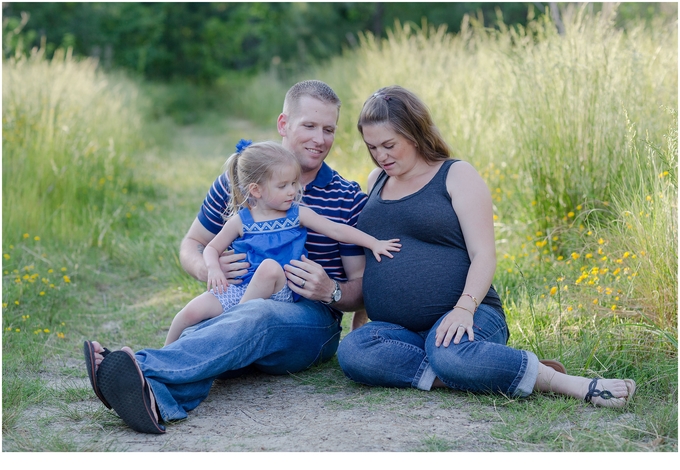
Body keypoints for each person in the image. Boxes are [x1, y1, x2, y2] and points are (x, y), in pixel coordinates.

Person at [83, 80, 372, 434]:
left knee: (258, 313)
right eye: (309, 126)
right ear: (284, 124)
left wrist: (332, 290)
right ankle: (154, 397)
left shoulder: (346, 197)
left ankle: (137, 369)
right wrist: (211, 267)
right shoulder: (239, 180)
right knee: (217, 315)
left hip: (309, 322)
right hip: (238, 301)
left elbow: (362, 288)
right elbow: (193, 244)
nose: (320, 138)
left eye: (329, 129)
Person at [336, 85, 636, 408]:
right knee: (353, 351)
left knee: (449, 353)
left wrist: (464, 308)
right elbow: (376, 255)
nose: (381, 156)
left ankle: (563, 382)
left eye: (388, 145)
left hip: (472, 314)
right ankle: (478, 370)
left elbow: (484, 254)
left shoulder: (455, 175)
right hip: (400, 331)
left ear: (414, 134)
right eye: (372, 147)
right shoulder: (375, 181)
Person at [164, 140, 400, 345]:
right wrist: (213, 268)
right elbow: (212, 248)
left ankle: (230, 323)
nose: (293, 191)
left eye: (294, 183)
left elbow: (337, 230)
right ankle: (162, 355)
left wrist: (374, 243)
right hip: (240, 289)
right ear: (256, 190)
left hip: (280, 291)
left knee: (269, 268)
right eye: (283, 186)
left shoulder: (298, 214)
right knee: (190, 311)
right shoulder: (240, 220)